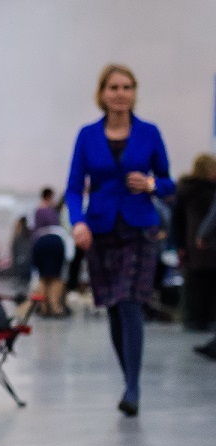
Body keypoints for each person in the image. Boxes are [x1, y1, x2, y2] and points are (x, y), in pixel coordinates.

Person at [65, 63, 174, 417]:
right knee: (112, 306)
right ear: (102, 93)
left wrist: (152, 185)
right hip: (100, 230)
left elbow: (170, 183)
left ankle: (133, 387)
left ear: (134, 93)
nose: (120, 93)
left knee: (130, 303)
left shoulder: (150, 133)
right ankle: (129, 377)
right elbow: (72, 187)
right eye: (114, 87)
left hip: (140, 228)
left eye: (127, 87)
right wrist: (78, 223)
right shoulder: (86, 135)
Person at [171, 154, 216, 332]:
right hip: (201, 240)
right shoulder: (194, 191)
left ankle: (197, 318)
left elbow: (177, 221)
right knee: (203, 283)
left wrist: (180, 244)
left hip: (193, 241)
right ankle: (202, 318)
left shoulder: (184, 190)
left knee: (196, 283)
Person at [30, 188, 72, 317]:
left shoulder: (37, 211)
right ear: (49, 196)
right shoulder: (52, 211)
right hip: (55, 241)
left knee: (43, 277)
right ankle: (55, 307)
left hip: (39, 242)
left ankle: (43, 307)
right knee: (55, 277)